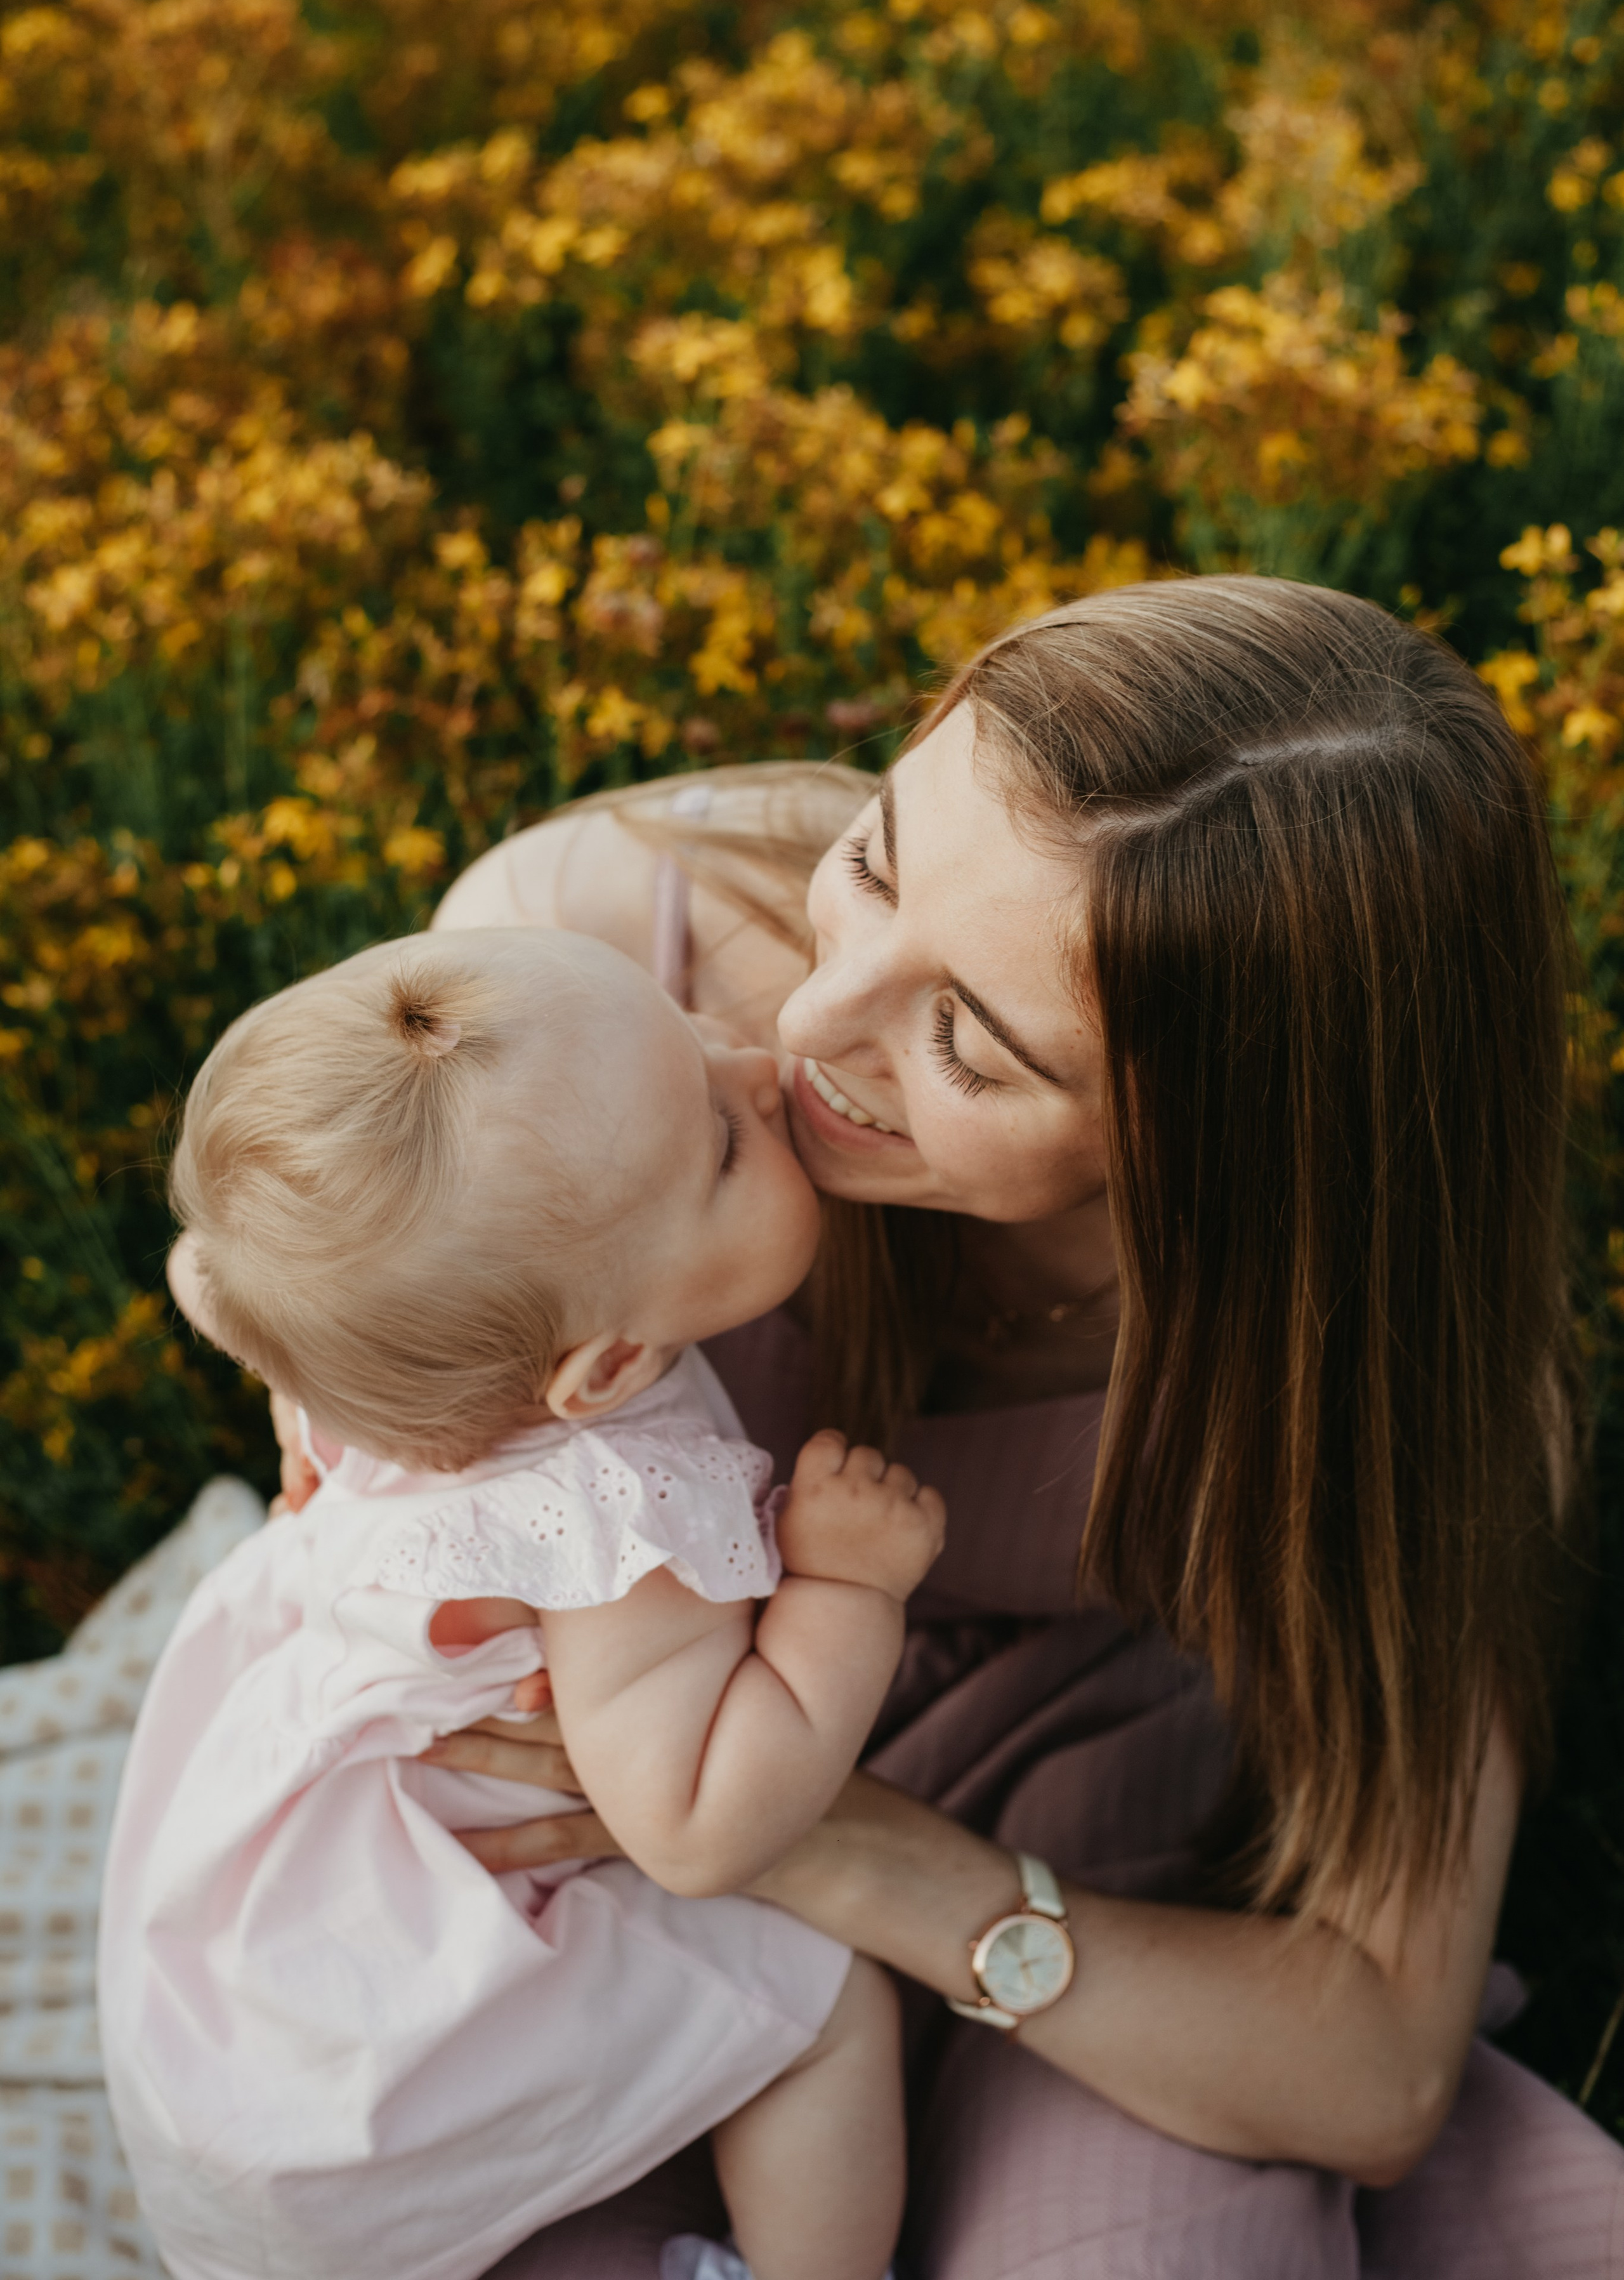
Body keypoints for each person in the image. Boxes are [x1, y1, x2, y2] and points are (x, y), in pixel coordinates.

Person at [405, 577, 1623, 2278]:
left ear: (1223, 1153)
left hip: (1074, 1867)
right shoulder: (603, 946)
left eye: (967, 1047)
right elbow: (310, 1287)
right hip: (607, 1844)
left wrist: (826, 1837)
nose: (808, 1030)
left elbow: (1375, 2065)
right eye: (878, 865)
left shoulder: (1367, 1371)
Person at [99, 926, 948, 2280]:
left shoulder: (364, 1330)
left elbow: (207, 1272)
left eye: (688, 1032)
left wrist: (298, 1402)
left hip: (222, 2018)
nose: (749, 1059)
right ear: (604, 1372)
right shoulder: (617, 1525)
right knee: (828, 1994)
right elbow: (697, 1828)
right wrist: (847, 1587)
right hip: (371, 2056)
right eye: (724, 1146)